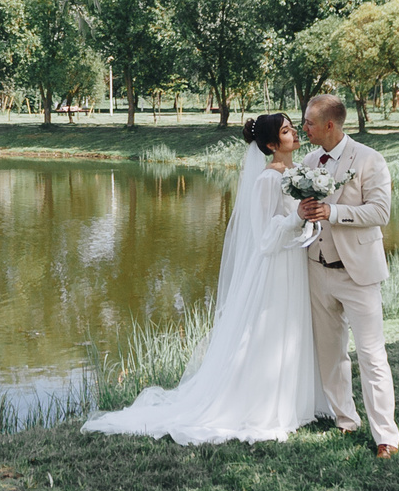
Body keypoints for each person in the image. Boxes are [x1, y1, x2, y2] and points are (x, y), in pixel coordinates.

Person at [81, 111, 324, 444]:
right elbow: (265, 237)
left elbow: (294, 222)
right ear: (271, 144)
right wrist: (296, 218)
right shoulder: (268, 179)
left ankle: (292, 401)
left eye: (293, 128)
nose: (295, 133)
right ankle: (262, 405)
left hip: (294, 262)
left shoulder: (297, 173)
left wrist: (310, 220)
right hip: (275, 267)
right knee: (269, 328)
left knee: (291, 327)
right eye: (286, 131)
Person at [294, 93, 399, 458]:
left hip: (358, 274)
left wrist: (333, 212)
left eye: (308, 122)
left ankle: (385, 436)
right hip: (317, 268)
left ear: (329, 125)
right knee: (330, 353)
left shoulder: (370, 160)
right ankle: (344, 419)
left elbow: (380, 212)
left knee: (371, 355)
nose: (302, 128)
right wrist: (303, 209)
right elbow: (304, 211)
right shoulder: (308, 161)